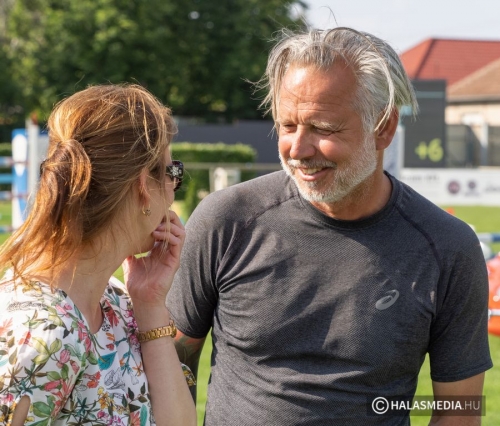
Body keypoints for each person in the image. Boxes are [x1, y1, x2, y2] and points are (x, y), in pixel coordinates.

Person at [166, 27, 493, 425]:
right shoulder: (227, 220)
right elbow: (172, 360)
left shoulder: (448, 247)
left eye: (323, 128)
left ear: (384, 127)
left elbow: (459, 409)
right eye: (287, 126)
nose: (297, 150)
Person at [0, 84, 196, 425]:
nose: (173, 191)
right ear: (143, 187)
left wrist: (149, 303)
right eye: (172, 173)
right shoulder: (44, 336)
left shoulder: (114, 302)